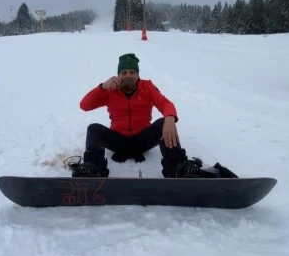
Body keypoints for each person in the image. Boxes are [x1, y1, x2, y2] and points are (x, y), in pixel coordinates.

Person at [72, 53, 237, 179]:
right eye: (123, 72)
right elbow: (84, 105)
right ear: (118, 75)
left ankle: (178, 166)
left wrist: (170, 119)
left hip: (142, 140)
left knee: (163, 122)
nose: (128, 75)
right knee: (93, 128)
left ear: (137, 75)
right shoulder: (110, 90)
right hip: (118, 141)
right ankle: (92, 169)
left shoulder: (147, 87)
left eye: (131, 72)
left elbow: (166, 104)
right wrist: (101, 87)